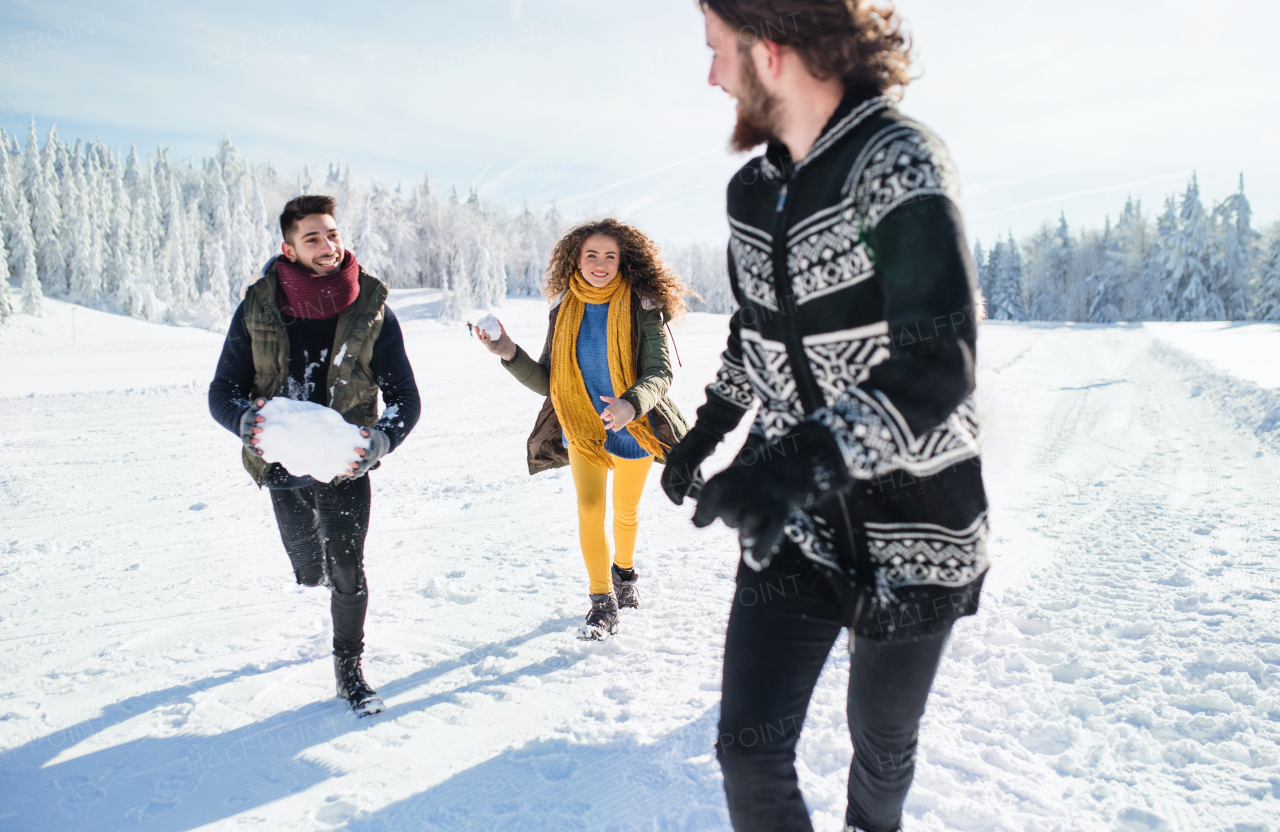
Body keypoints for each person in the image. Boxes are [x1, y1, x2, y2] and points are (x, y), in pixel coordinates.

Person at [661, 3, 989, 830]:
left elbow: (937, 361)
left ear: (769, 53)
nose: (711, 75)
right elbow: (754, 333)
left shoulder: (895, 162)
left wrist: (797, 462)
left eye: (717, 51)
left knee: (880, 746)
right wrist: (706, 432)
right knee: (749, 749)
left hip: (917, 527)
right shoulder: (752, 193)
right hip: (795, 527)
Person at [208, 194, 420, 716]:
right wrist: (244, 420)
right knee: (311, 569)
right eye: (313, 238)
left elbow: (406, 398)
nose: (327, 246)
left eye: (332, 234)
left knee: (348, 565)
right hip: (281, 466)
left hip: (346, 464)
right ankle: (314, 574)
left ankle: (349, 670)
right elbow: (222, 390)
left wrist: (380, 441)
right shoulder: (257, 307)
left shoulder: (371, 309)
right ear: (289, 248)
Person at [477, 219, 692, 639]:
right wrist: (506, 352)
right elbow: (548, 380)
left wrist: (631, 404)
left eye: (610, 255)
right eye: (591, 254)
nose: (600, 263)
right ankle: (601, 601)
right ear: (576, 258)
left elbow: (660, 372)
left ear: (622, 260)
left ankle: (624, 575)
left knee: (625, 511)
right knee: (591, 510)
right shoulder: (565, 308)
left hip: (636, 425)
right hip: (582, 425)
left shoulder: (642, 305)